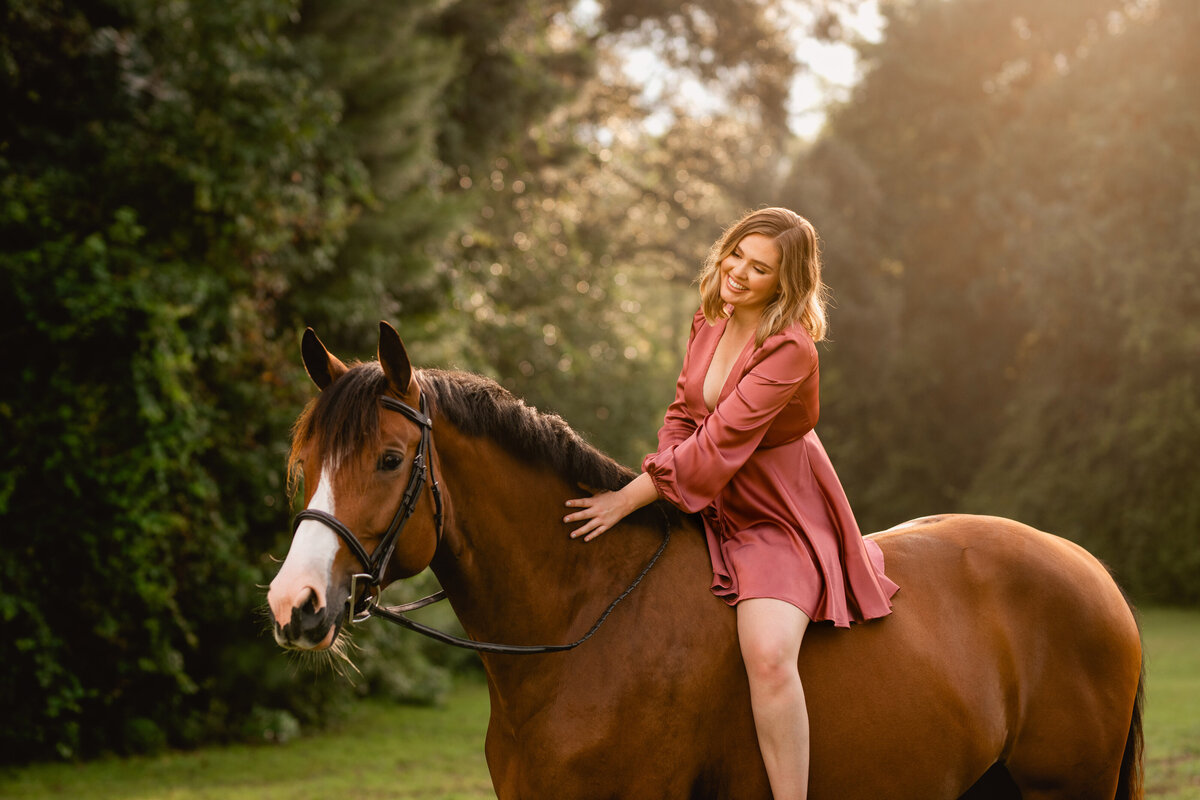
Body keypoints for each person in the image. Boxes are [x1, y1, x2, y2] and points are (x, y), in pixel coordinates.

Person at [563, 207, 899, 799]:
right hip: (701, 493)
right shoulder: (710, 321)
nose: (738, 272)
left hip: (775, 510)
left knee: (768, 656)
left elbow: (720, 441)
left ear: (785, 283)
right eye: (736, 254)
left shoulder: (792, 349)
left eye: (760, 268)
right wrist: (666, 472)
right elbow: (682, 413)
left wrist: (629, 497)